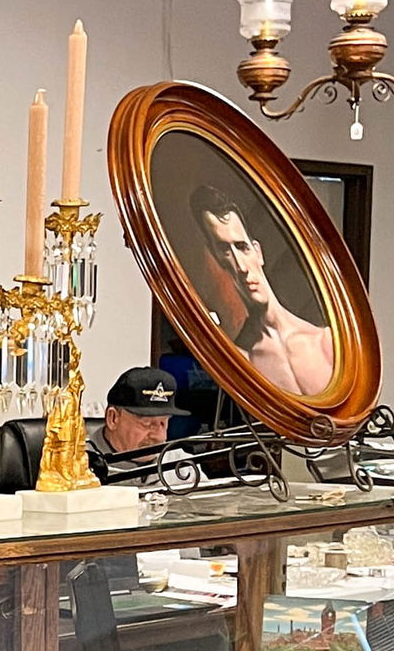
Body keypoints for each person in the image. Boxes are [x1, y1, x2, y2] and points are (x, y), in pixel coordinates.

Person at [190, 178, 334, 397]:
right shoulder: (241, 359)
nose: (240, 266)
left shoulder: (325, 341)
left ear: (257, 251)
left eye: (241, 247)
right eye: (224, 250)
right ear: (217, 258)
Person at [87, 366, 177, 479]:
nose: (159, 437)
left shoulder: (183, 465)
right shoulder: (75, 467)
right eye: (147, 423)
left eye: (163, 423)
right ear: (113, 418)